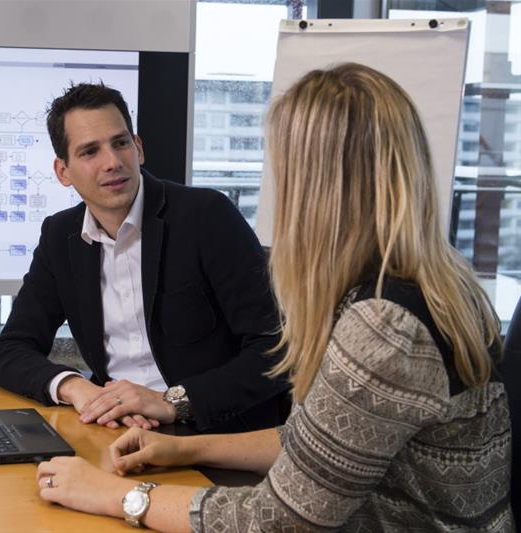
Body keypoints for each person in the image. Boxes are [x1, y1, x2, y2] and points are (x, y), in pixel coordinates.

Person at [34, 64, 515, 531]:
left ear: (317, 183)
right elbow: (319, 443)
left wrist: (108, 495)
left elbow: (280, 518)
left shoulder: (385, 326)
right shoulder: (435, 282)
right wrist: (184, 450)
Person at [0, 83, 287, 433]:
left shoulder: (206, 215)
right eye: (89, 152)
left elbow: (275, 351)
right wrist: (77, 388)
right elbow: (11, 349)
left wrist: (173, 402)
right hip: (116, 428)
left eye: (120, 143)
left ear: (139, 147)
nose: (112, 162)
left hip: (213, 431)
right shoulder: (61, 236)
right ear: (63, 171)